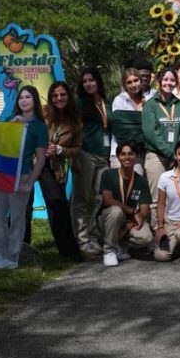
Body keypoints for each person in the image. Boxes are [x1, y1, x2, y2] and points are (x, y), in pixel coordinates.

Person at [0, 86, 48, 270]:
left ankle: (12, 257)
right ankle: (1, 252)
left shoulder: (39, 126)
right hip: (3, 174)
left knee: (17, 218)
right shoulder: (9, 120)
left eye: (28, 97)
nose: (23, 100)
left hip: (21, 175)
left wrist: (30, 182)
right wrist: (11, 126)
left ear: (34, 101)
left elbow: (41, 159)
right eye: (21, 97)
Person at [39, 81, 84, 261]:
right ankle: (21, 248)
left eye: (62, 95)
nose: (59, 98)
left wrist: (59, 150)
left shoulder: (75, 120)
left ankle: (67, 250)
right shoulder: (43, 112)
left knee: (56, 205)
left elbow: (77, 149)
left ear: (68, 96)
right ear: (50, 98)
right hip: (35, 163)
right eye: (55, 95)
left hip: (55, 167)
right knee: (26, 206)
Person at [74, 66, 112, 256]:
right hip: (86, 154)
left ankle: (91, 234)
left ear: (98, 81)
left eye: (92, 80)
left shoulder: (106, 102)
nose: (88, 84)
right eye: (85, 81)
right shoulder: (80, 103)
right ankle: (80, 239)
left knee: (98, 198)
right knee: (81, 198)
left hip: (104, 157)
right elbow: (76, 129)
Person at [98, 141, 154, 266]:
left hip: (129, 222)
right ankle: (109, 251)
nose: (127, 157)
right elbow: (108, 200)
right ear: (118, 156)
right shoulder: (108, 174)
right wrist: (132, 211)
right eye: (123, 154)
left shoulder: (141, 181)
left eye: (130, 154)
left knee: (146, 237)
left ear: (136, 157)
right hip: (109, 218)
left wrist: (130, 225)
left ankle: (121, 245)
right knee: (116, 211)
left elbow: (144, 210)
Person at [142, 67, 180, 202]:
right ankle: (158, 223)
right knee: (157, 199)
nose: (169, 83)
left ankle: (173, 223)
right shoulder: (150, 105)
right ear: (159, 81)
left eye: (172, 80)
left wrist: (179, 154)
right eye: (165, 79)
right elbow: (151, 133)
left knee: (177, 196)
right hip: (156, 156)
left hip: (178, 158)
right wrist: (171, 153)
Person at [111, 68, 148, 160]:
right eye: (129, 82)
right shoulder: (119, 100)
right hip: (120, 154)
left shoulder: (149, 101)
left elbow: (150, 128)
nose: (134, 85)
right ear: (125, 85)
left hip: (140, 154)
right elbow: (120, 130)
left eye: (136, 80)